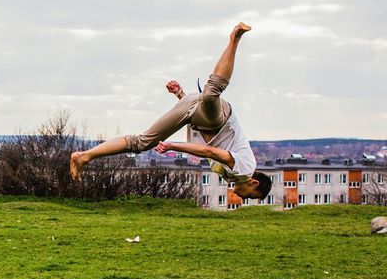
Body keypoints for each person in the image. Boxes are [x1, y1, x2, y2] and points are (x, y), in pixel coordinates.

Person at [70, 22, 272, 201]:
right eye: (250, 196)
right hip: (220, 118)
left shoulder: (231, 176)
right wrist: (172, 145)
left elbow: (207, 137)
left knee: (142, 142)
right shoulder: (245, 169)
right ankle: (234, 38)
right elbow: (209, 151)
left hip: (197, 115)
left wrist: (180, 95)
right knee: (211, 94)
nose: (242, 197)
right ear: (253, 184)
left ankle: (84, 156)